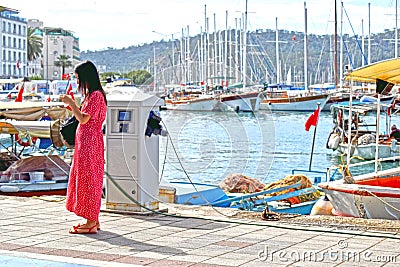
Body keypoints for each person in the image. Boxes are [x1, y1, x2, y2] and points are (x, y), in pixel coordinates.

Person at [60, 60, 107, 234]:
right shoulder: (94, 95)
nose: (78, 82)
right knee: (88, 178)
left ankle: (91, 221)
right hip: (87, 142)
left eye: (79, 78)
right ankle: (93, 219)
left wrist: (72, 104)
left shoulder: (95, 96)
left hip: (89, 143)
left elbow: (84, 119)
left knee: (88, 179)